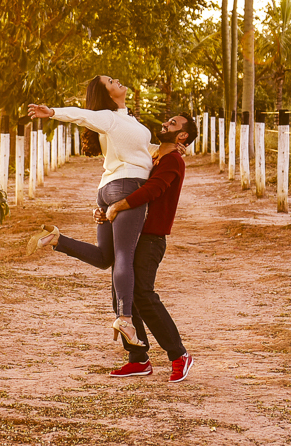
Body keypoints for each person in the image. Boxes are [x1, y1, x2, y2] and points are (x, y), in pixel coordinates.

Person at [26, 75, 153, 347]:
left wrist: (169, 149)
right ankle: (126, 317)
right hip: (127, 188)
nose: (118, 80)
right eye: (110, 81)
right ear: (105, 94)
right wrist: (52, 113)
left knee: (106, 256)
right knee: (124, 256)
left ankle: (58, 240)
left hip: (108, 189)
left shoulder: (127, 119)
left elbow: (144, 152)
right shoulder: (107, 116)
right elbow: (81, 116)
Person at [101, 112, 196, 382]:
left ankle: (179, 355)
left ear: (183, 136)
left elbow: (153, 190)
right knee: (121, 296)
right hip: (132, 234)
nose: (166, 123)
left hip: (151, 238)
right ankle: (138, 358)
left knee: (143, 294)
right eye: (168, 121)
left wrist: (118, 205)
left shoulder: (173, 161)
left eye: (173, 124)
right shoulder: (155, 157)